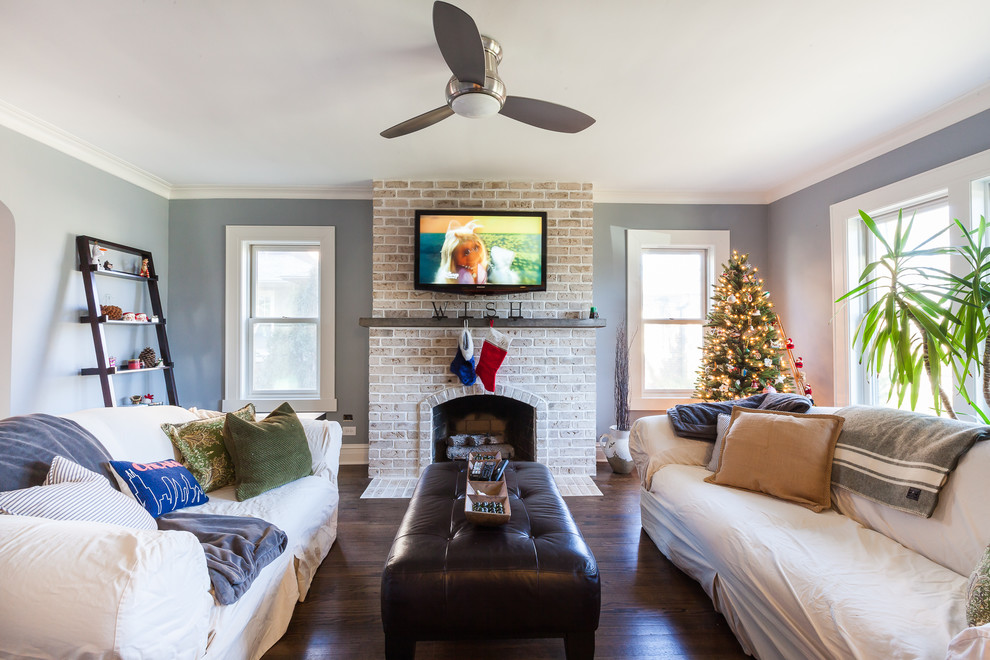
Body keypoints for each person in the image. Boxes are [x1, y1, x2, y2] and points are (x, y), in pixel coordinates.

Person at [435, 220, 488, 284]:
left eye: (476, 248)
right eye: (466, 252)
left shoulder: (481, 270)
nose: (473, 255)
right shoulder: (456, 276)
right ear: (453, 257)